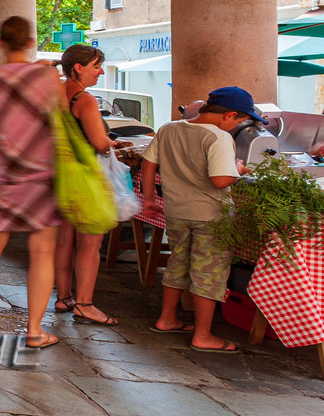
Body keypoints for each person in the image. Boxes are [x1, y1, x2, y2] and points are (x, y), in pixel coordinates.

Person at [0, 18, 62, 348]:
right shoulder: (48, 76)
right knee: (42, 251)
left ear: (1, 43)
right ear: (31, 42)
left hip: (5, 172)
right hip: (43, 174)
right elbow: (61, 123)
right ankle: (34, 331)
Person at [143, 87, 257, 353]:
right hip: (210, 215)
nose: (237, 127)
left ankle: (166, 319)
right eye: (239, 121)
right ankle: (203, 335)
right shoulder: (218, 137)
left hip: (176, 211)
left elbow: (149, 164)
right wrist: (238, 170)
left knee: (178, 263)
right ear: (228, 115)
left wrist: (149, 198)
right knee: (209, 272)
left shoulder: (169, 128)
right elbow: (219, 180)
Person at [55, 45, 117, 325]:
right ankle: (85, 304)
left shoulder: (54, 94)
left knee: (65, 240)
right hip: (83, 177)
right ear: (78, 67)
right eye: (96, 66)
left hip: (58, 174)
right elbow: (100, 142)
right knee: (91, 243)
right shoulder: (85, 99)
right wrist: (111, 142)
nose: (100, 71)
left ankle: (64, 296)